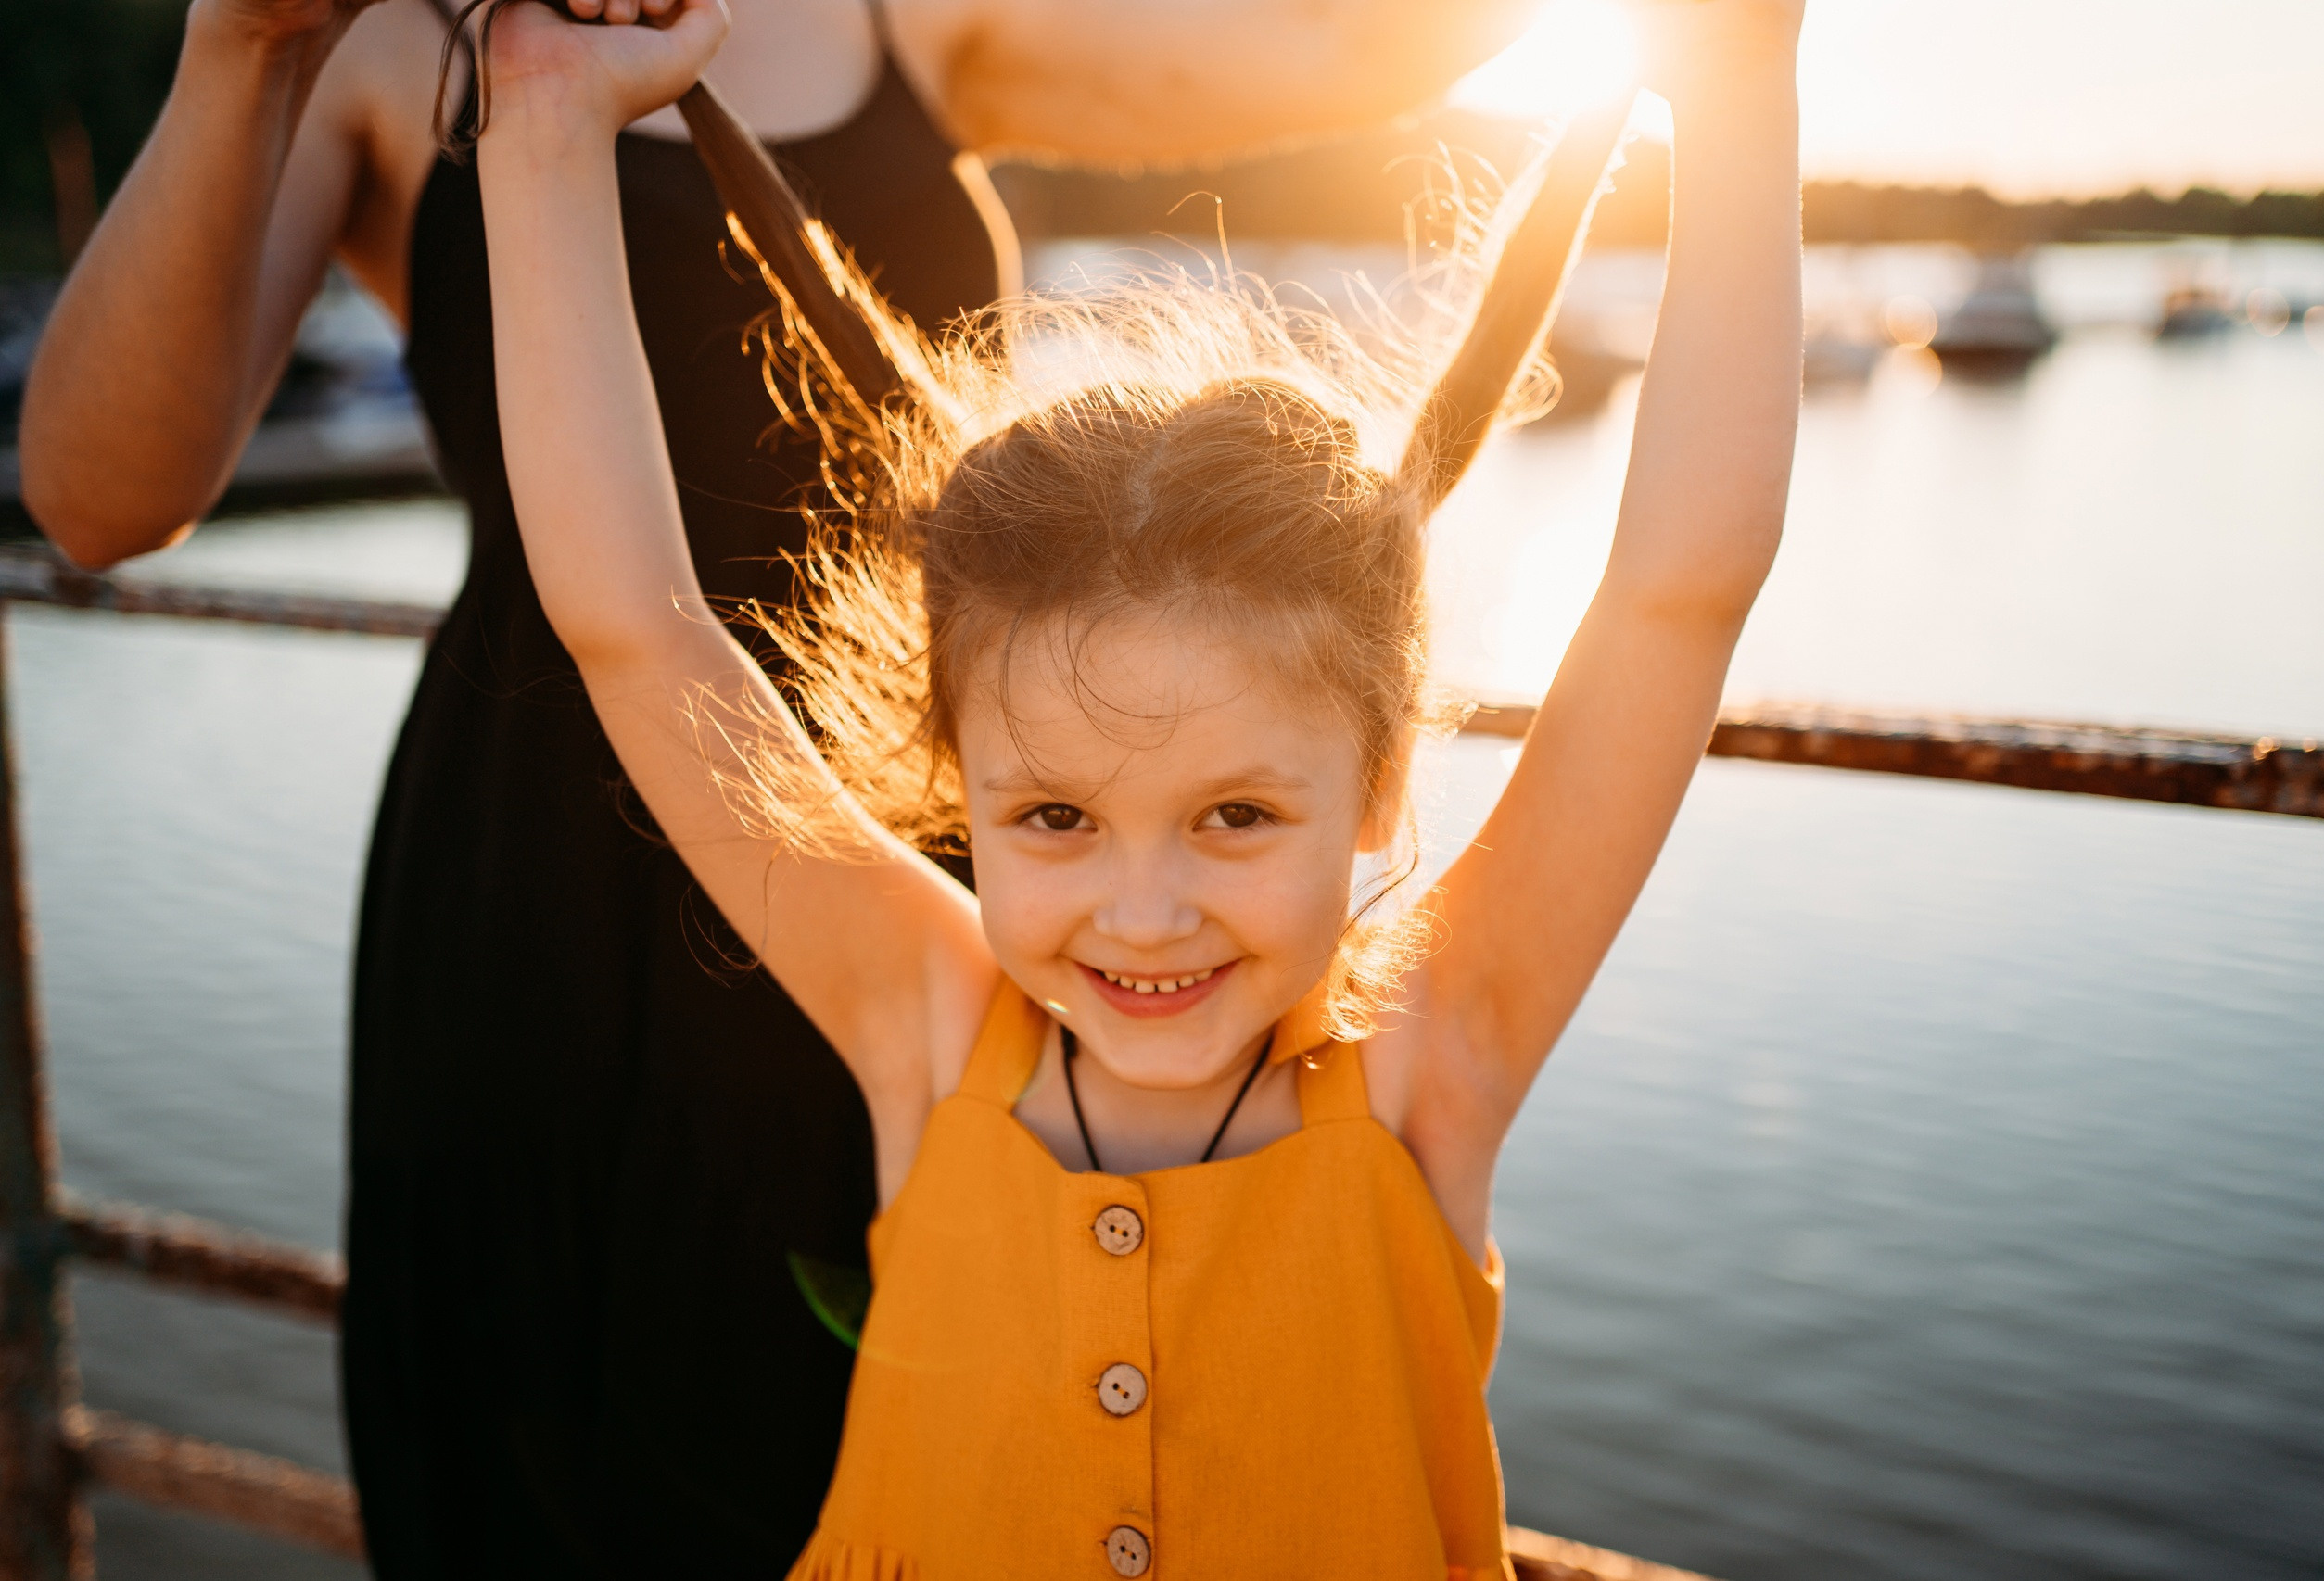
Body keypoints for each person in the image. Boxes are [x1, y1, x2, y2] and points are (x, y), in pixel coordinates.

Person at [17, 0, 1542, 1574]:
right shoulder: (378, 41)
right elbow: (93, 497)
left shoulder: (915, 17)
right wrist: (249, 47)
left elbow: (1365, 47)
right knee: (518, 1473)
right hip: (540, 893)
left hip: (931, 878)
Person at [475, 0, 1803, 1571]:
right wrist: (543, 123)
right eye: (1056, 818)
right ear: (959, 784)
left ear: (1381, 785)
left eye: (1237, 815)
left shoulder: (1428, 1059)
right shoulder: (928, 1026)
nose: (1147, 910)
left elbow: (1675, 596)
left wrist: (1738, 79)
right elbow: (636, 631)